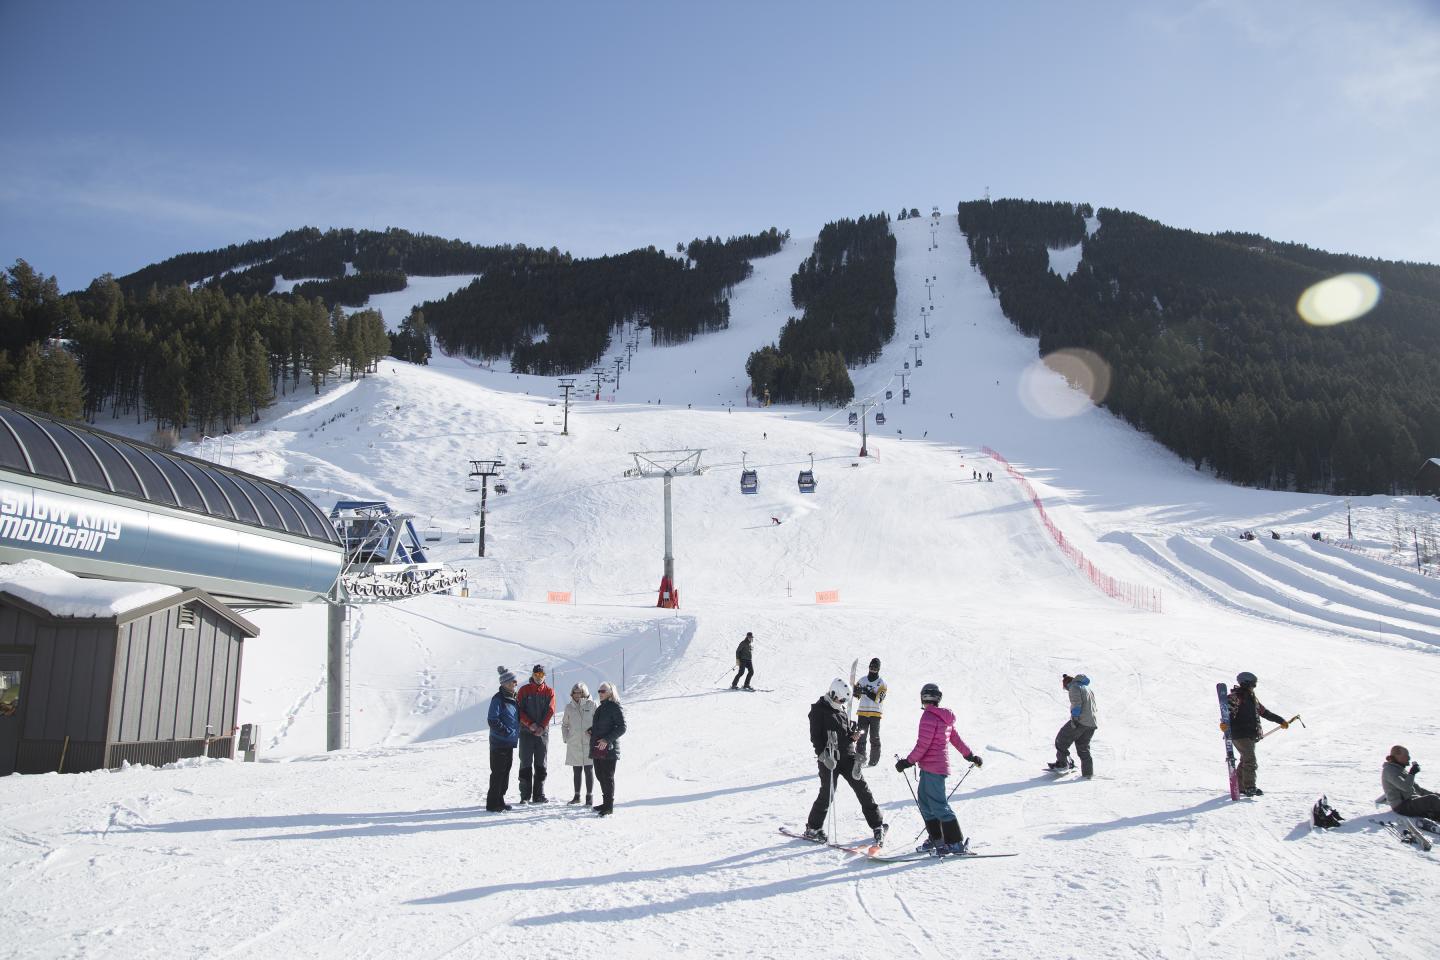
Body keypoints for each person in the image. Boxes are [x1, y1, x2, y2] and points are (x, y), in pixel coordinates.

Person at [895, 683, 982, 856]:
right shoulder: (944, 718)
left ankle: (956, 843)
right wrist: (970, 755)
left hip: (934, 768)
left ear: (923, 698)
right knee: (926, 804)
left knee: (939, 806)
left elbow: (923, 745)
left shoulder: (929, 717)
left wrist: (908, 761)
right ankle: (937, 840)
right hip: (930, 767)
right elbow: (956, 740)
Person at [803, 679, 887, 847]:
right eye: (841, 700)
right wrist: (823, 756)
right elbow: (816, 738)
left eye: (844, 701)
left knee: (862, 789)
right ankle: (813, 828)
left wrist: (853, 735)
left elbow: (845, 734)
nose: (842, 703)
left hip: (848, 757)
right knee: (827, 793)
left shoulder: (840, 710)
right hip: (830, 759)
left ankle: (877, 825)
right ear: (833, 694)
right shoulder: (818, 710)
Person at [1223, 671, 1289, 797]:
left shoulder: (1252, 698)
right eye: (1253, 684)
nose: (1254, 687)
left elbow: (1265, 713)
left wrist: (1281, 720)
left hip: (1250, 734)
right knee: (1250, 760)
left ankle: (1240, 786)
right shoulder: (1235, 697)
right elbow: (1227, 713)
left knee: (1245, 760)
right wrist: (1225, 725)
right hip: (1239, 733)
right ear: (1246, 683)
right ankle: (1249, 787)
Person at [517, 664, 556, 804]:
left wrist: (541, 726)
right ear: (532, 675)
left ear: (544, 676)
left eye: (541, 675)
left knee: (541, 764)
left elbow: (551, 710)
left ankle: (539, 794)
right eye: (536, 675)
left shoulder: (549, 691)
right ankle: (525, 796)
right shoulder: (524, 690)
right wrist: (530, 724)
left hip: (542, 734)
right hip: (526, 733)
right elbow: (519, 710)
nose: (538, 677)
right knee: (525, 763)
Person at [1048, 674, 1098, 777]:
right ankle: (1088, 774)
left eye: (1065, 687)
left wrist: (1075, 719)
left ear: (1067, 684)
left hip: (1080, 721)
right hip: (1091, 724)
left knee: (1061, 740)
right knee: (1083, 748)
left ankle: (1063, 764)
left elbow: (1076, 703)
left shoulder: (1074, 687)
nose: (1066, 689)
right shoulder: (1087, 688)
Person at [589, 681, 627, 815]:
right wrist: (591, 730)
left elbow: (622, 727)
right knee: (600, 775)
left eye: (603, 691)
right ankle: (605, 803)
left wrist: (607, 739)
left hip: (609, 749)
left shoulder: (615, 707)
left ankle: (609, 806)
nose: (600, 693)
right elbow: (601, 726)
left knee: (607, 776)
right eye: (599, 691)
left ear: (610, 692)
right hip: (598, 748)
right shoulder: (601, 707)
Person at [485, 667, 520, 812]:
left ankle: (500, 799)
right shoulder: (498, 699)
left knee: (505, 773)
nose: (515, 683)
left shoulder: (513, 697)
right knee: (498, 772)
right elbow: (492, 720)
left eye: (515, 681)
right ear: (505, 683)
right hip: (499, 742)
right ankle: (492, 803)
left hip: (509, 742)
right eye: (513, 681)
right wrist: (506, 732)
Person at [562, 682, 597, 805]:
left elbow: (598, 722)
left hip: (588, 743)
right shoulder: (569, 707)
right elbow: (565, 725)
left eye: (580, 692)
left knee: (589, 769)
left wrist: (594, 733)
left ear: (585, 693)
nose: (577, 695)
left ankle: (589, 796)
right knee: (576, 771)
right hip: (574, 744)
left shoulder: (592, 705)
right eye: (575, 692)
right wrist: (566, 738)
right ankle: (576, 796)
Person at [1382, 746, 1440, 819]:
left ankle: (1433, 815)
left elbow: (1419, 790)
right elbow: (1405, 787)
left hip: (1410, 802)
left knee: (1435, 797)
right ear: (1397, 756)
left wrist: (1437, 795)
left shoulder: (1400, 770)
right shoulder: (1389, 770)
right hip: (1401, 806)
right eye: (1406, 755)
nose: (1409, 758)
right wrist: (1412, 773)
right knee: (1432, 799)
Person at [854, 658, 887, 767]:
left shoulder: (882, 683)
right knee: (861, 736)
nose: (873, 670)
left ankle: (874, 761)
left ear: (878, 669)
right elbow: (856, 695)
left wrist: (865, 691)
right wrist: (856, 691)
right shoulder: (862, 680)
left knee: (874, 737)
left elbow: (879, 699)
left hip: (875, 714)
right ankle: (860, 758)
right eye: (871, 667)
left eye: (875, 668)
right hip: (863, 713)